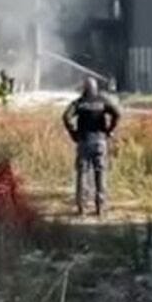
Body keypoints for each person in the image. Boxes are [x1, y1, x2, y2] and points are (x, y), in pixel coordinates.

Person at [62, 77, 122, 216]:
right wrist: (110, 129)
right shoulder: (102, 101)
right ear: (96, 88)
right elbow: (117, 113)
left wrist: (73, 133)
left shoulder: (79, 103)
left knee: (82, 173)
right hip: (100, 142)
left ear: (84, 88)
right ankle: (100, 206)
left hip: (84, 141)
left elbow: (66, 116)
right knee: (100, 173)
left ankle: (82, 206)